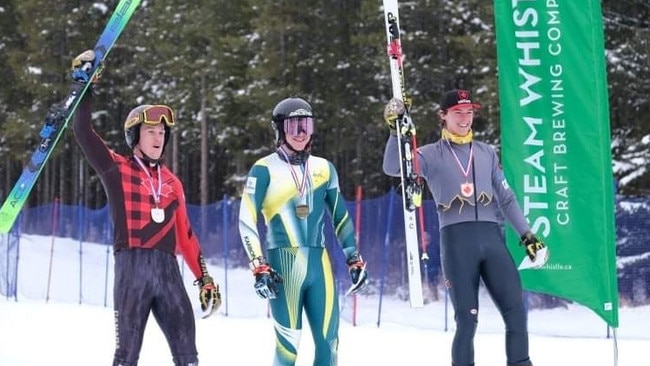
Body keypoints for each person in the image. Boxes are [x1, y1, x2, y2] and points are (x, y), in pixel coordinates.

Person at [70, 50, 221, 366]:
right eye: (151, 131)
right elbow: (83, 132)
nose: (158, 137)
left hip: (168, 273)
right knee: (126, 356)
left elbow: (187, 236)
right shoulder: (117, 169)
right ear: (135, 136)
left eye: (162, 132)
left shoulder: (173, 183)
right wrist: (84, 86)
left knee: (188, 356)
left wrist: (204, 278)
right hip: (132, 270)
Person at [382, 89, 548, 366]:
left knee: (516, 312)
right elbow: (392, 168)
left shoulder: (486, 153)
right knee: (467, 320)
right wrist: (394, 131)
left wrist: (527, 236)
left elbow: (506, 198)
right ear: (443, 116)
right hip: (458, 244)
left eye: (469, 112)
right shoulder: (429, 154)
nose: (465, 118)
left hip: (492, 240)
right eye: (458, 112)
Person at [238, 97, 368, 366]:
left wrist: (353, 258)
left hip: (319, 265)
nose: (299, 133)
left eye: (306, 125)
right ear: (279, 130)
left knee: (329, 344)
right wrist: (258, 266)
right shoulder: (264, 169)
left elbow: (340, 216)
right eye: (293, 126)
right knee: (288, 349)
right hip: (282, 268)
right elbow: (246, 220)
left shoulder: (324, 168)